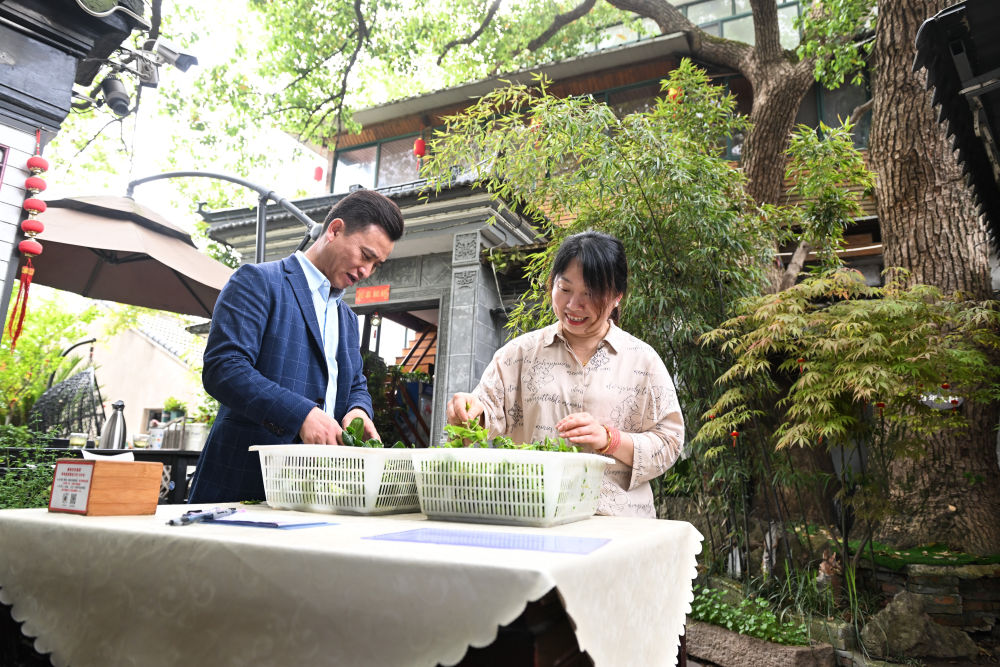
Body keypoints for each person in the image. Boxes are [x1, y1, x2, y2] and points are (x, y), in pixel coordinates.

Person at [446, 230, 684, 517]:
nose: (573, 305)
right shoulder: (519, 353)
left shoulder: (643, 361)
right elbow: (486, 410)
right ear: (552, 284)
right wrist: (470, 413)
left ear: (617, 297)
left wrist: (611, 440)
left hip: (618, 524)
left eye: (590, 294)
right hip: (535, 515)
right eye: (565, 289)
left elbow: (670, 442)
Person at [188, 190, 405, 503]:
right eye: (365, 255)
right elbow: (225, 369)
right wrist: (302, 415)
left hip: (317, 496)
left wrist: (358, 410)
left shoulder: (346, 317)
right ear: (334, 230)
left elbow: (355, 383)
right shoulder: (257, 281)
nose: (366, 272)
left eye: (376, 264)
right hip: (243, 486)